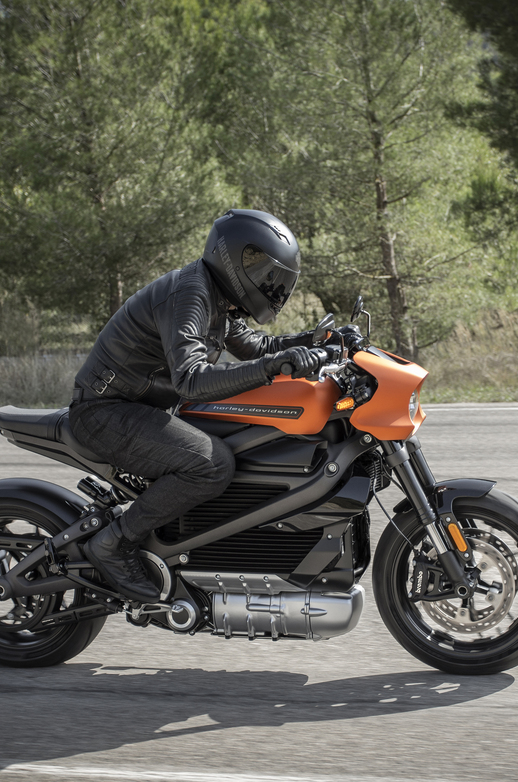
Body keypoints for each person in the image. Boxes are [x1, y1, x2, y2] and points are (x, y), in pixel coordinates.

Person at [70, 209, 328, 602]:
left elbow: (256, 347)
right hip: (105, 411)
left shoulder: (218, 296)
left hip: (142, 410)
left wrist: (316, 341)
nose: (273, 288)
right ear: (235, 260)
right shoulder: (190, 294)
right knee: (211, 464)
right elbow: (190, 379)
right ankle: (113, 542)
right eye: (266, 275)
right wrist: (273, 367)